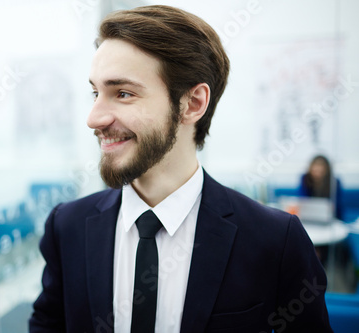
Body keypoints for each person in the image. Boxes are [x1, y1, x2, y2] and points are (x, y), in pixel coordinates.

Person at [29, 5, 332, 333]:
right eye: (95, 93)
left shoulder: (274, 241)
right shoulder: (67, 227)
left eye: (123, 93)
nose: (94, 118)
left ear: (193, 104)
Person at [298, 155, 343, 220]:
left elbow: (337, 205)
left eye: (321, 166)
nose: (318, 169)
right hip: (309, 217)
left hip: (330, 218)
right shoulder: (305, 179)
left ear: (327, 169)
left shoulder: (334, 182)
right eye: (316, 165)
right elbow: (302, 201)